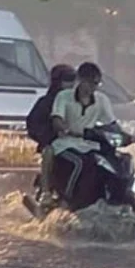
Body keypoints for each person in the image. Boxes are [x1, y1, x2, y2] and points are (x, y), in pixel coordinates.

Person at [47, 62, 134, 208]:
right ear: (80, 80)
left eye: (96, 84)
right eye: (89, 83)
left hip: (91, 144)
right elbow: (57, 119)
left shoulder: (102, 100)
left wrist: (126, 136)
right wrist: (67, 130)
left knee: (120, 162)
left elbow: (111, 123)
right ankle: (67, 198)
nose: (92, 88)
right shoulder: (63, 97)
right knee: (79, 164)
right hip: (67, 143)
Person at [25, 64, 77, 207]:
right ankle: (46, 192)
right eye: (67, 80)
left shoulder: (80, 102)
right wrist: (49, 137)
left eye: (73, 80)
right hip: (54, 144)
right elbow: (33, 125)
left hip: (78, 144)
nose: (71, 84)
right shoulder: (46, 103)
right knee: (49, 153)